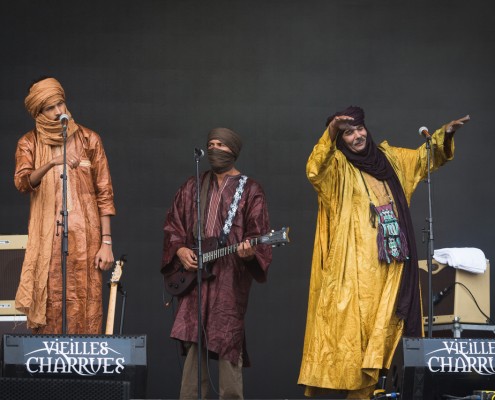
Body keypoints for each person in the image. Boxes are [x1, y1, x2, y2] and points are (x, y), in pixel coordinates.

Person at [298, 106, 469, 398]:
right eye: (348, 133)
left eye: (359, 129)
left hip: (394, 268)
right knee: (360, 338)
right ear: (340, 139)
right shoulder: (338, 167)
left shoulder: (389, 159)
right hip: (356, 272)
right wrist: (329, 133)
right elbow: (315, 168)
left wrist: (444, 135)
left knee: (390, 337)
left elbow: (422, 159)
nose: (357, 136)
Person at [161, 127, 272, 399]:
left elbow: (259, 237)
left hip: (229, 280)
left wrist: (249, 253)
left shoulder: (250, 189)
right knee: (193, 346)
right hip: (194, 278)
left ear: (233, 151)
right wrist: (180, 251)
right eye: (210, 144)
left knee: (228, 342)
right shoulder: (192, 185)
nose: (214, 149)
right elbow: (173, 227)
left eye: (221, 145)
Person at [14, 77, 116, 334]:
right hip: (48, 242)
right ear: (38, 111)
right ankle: (52, 369)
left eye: (60, 103)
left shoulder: (89, 139)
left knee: (87, 304)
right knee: (50, 305)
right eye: (50, 107)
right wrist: (51, 162)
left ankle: (84, 368)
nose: (59, 111)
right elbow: (23, 182)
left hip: (87, 240)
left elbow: (104, 192)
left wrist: (106, 242)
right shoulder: (29, 142)